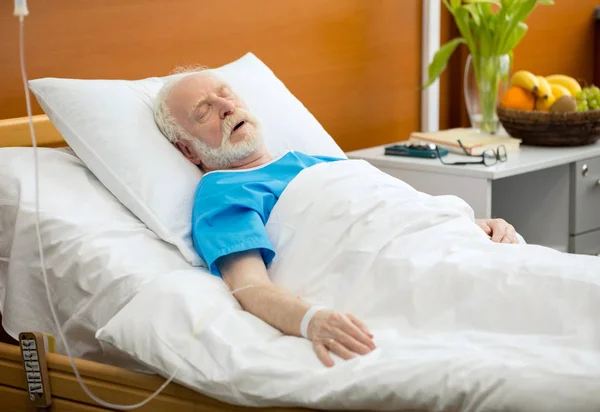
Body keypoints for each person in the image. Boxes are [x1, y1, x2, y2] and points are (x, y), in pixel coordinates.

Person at [153, 71, 519, 367]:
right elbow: (249, 286)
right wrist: (311, 320)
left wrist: (477, 226)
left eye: (226, 93)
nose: (226, 107)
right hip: (403, 276)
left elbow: (397, 211)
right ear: (187, 149)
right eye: (204, 110)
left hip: (455, 248)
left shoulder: (320, 163)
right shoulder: (223, 191)